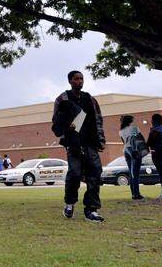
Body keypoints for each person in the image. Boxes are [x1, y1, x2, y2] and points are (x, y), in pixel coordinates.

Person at [51, 70, 106, 222]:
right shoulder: (63, 99)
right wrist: (66, 140)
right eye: (76, 79)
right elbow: (57, 122)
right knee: (74, 174)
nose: (80, 81)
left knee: (95, 174)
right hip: (73, 144)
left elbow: (98, 119)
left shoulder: (90, 99)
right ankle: (69, 203)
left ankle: (92, 210)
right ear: (70, 81)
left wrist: (100, 139)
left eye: (81, 79)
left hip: (90, 143)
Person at [119, 114, 147, 200]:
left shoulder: (121, 131)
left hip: (126, 150)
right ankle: (136, 194)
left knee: (131, 173)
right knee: (135, 173)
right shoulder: (134, 128)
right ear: (130, 121)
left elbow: (124, 142)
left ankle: (133, 193)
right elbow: (137, 138)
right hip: (134, 150)